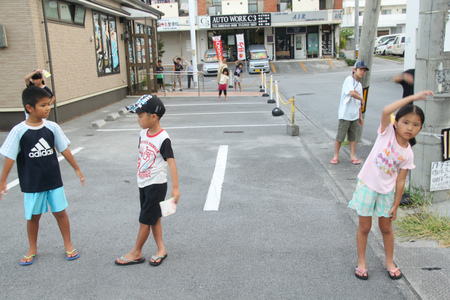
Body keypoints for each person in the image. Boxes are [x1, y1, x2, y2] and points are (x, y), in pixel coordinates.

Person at [349, 90, 434, 281]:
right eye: (406, 122)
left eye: (416, 124)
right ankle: (362, 262)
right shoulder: (386, 132)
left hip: (386, 192)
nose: (410, 128)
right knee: (364, 227)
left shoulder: (408, 153)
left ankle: (390, 262)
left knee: (386, 228)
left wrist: (396, 204)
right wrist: (412, 98)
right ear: (396, 122)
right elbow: (387, 110)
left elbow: (401, 180)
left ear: (420, 128)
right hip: (368, 186)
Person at [0, 86, 85, 266]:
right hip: (32, 183)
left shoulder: (52, 127)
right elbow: (9, 157)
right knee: (33, 217)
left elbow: (64, 149)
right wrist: (3, 180)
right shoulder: (19, 131)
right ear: (29, 108)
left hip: (53, 180)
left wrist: (76, 169)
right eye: (43, 105)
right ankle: (32, 248)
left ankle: (68, 244)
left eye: (48, 104)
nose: (48, 108)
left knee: (60, 213)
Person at [116, 94, 180, 266]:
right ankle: (161, 249)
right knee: (154, 218)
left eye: (140, 116)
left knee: (145, 219)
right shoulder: (143, 133)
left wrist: (175, 188)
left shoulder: (163, 138)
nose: (138, 119)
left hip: (156, 184)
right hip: (143, 183)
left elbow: (171, 163)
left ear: (153, 117)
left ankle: (136, 252)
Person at [331, 60, 367, 165]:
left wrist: (360, 116)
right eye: (360, 69)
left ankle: (352, 155)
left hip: (354, 114)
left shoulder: (359, 85)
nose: (362, 72)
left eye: (364, 70)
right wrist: (362, 99)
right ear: (354, 69)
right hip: (345, 114)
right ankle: (336, 155)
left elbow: (358, 103)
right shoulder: (349, 80)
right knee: (340, 136)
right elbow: (351, 93)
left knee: (353, 137)